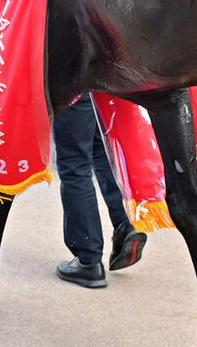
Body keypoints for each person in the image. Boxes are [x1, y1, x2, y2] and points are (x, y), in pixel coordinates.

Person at [53, 93, 148, 288]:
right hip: (101, 86)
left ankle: (88, 260)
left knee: (74, 162)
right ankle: (125, 225)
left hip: (75, 84)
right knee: (101, 150)